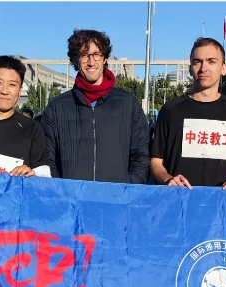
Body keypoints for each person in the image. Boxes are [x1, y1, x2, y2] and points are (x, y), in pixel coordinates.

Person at [41, 29, 149, 184]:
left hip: (117, 197)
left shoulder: (128, 103)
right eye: (84, 55)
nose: (91, 62)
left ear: (104, 58)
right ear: (76, 60)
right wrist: (62, 192)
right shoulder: (56, 108)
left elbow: (141, 156)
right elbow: (49, 161)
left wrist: (128, 189)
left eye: (97, 54)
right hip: (72, 198)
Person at [151, 37, 226, 189]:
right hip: (180, 200)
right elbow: (155, 161)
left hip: (225, 200)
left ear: (224, 68)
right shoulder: (171, 110)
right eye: (197, 62)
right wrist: (168, 179)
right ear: (190, 68)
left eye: (211, 61)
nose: (203, 68)